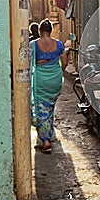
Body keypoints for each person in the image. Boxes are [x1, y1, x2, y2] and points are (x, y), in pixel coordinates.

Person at [30, 19, 67, 153]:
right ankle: (48, 133)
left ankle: (45, 140)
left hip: (40, 79)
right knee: (50, 107)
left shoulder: (33, 44)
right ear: (51, 30)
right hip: (55, 79)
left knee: (42, 108)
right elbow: (64, 61)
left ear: (40, 31)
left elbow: (27, 62)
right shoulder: (58, 44)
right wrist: (58, 71)